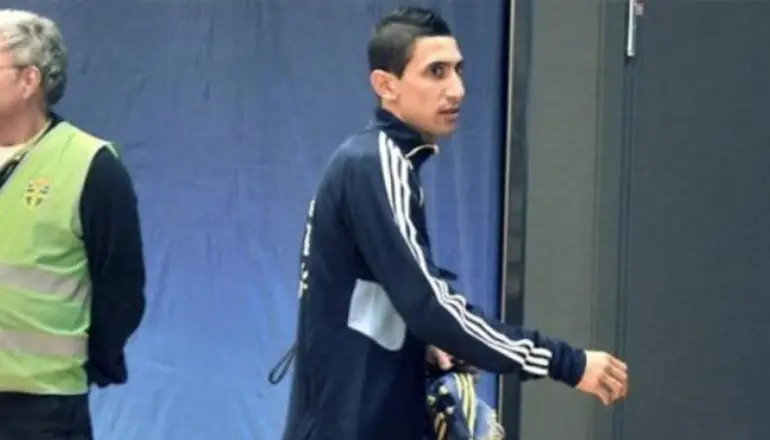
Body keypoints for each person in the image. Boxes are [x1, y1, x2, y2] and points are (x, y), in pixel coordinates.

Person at [279, 6, 629, 440]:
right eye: (436, 72)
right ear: (386, 85)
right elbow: (431, 305)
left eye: (458, 70)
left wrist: (421, 346)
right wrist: (567, 363)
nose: (457, 89)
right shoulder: (377, 163)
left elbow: (368, 298)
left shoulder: (374, 161)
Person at [0, 9, 146, 439]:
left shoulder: (89, 166)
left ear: (29, 80)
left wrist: (89, 362)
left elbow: (121, 290)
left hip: (42, 408)